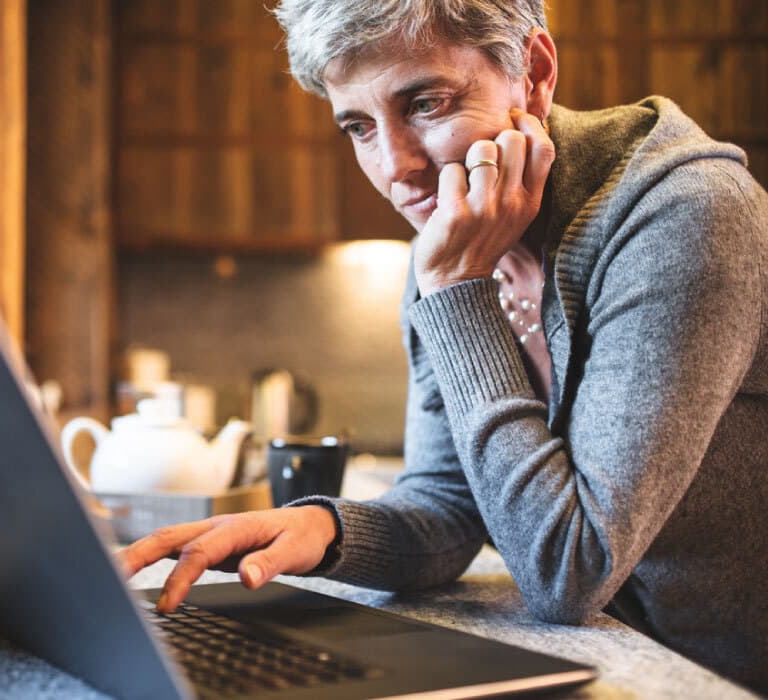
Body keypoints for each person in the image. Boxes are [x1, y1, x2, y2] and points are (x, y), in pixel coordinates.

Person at [121, 0, 768, 691]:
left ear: (534, 72)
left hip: (712, 676)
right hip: (599, 660)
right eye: (359, 126)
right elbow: (446, 503)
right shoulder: (452, 237)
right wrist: (322, 531)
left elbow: (568, 571)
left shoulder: (682, 215)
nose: (395, 166)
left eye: (426, 103)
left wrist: (457, 291)